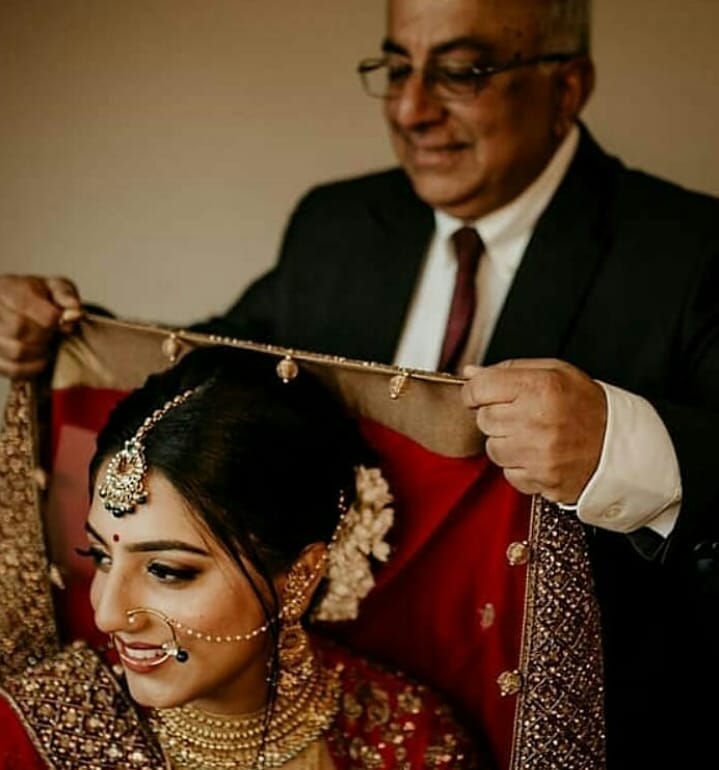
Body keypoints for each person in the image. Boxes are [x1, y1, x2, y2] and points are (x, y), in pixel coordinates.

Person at [0, 0, 717, 766]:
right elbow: (209, 390)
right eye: (395, 69)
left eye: (461, 71)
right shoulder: (338, 225)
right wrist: (59, 331)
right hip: (324, 707)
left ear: (567, 86)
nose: (411, 110)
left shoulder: (689, 252)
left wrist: (628, 448)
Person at [0, 344, 483, 769]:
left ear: (300, 577)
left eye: (167, 571)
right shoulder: (34, 732)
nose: (106, 616)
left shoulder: (412, 741)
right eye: (101, 556)